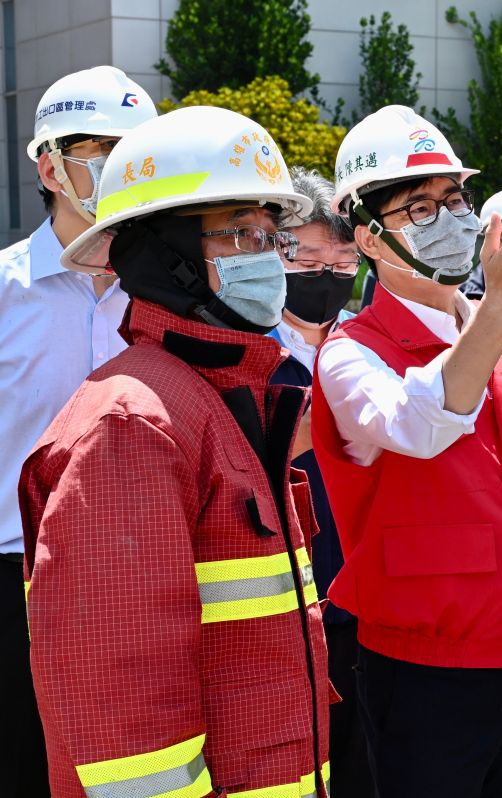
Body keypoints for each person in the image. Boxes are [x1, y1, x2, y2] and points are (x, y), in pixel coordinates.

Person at [21, 105, 331, 798]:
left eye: (267, 233)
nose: (265, 255)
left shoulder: (216, 400)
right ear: (168, 257)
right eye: (239, 233)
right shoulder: (132, 426)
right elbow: (122, 719)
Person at [310, 105, 502, 798]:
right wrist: (497, 312)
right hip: (423, 672)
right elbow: (422, 424)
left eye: (455, 199)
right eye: (420, 208)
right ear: (369, 240)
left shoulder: (496, 332)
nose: (453, 218)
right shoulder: (351, 352)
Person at [0, 65, 156, 798]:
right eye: (102, 151)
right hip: (18, 583)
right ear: (49, 164)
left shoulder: (173, 294)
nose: (119, 169)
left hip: (151, 574)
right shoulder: (4, 293)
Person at [267, 166, 371, 798]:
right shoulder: (247, 345)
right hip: (279, 591)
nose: (326, 276)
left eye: (342, 262)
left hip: (362, 587)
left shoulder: (367, 345)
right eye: (308, 258)